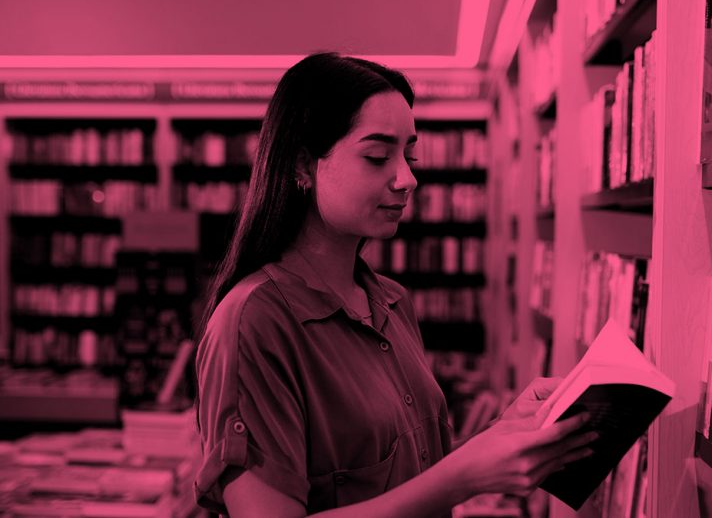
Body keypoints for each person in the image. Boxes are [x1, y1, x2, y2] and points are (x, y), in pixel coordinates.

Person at [194, 52, 596, 518]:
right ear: (303, 165)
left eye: (409, 155)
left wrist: (500, 435)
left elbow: (406, 473)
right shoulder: (254, 322)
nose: (408, 178)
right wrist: (462, 477)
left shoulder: (391, 301)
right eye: (378, 156)